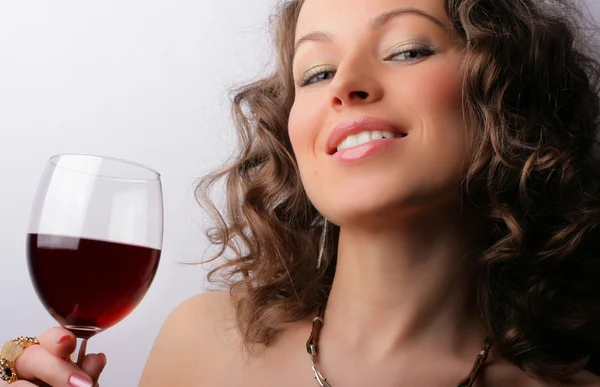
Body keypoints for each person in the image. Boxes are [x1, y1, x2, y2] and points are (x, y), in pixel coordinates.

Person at [3, 0, 600, 385]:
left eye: (407, 50)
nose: (346, 86)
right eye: (315, 72)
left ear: (508, 95)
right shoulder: (199, 342)